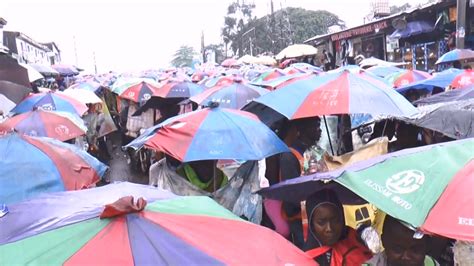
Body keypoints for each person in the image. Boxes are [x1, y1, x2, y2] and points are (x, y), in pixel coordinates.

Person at [304, 189, 373, 265]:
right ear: (311, 224)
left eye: (335, 220)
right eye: (321, 223)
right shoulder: (305, 260)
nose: (329, 228)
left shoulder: (358, 243)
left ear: (342, 219)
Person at [366, 215, 439, 266]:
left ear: (427, 246)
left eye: (415, 250)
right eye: (398, 250)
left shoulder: (431, 263)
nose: (406, 257)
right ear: (384, 241)